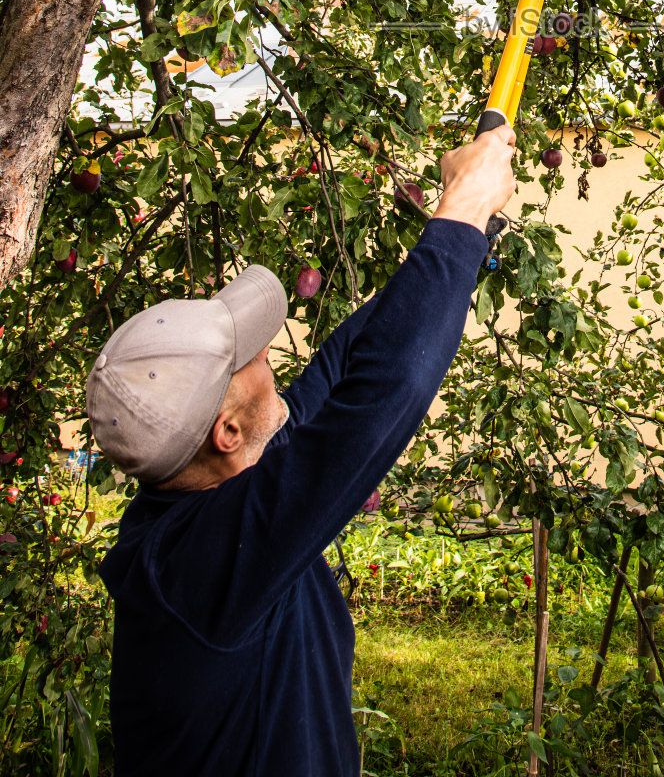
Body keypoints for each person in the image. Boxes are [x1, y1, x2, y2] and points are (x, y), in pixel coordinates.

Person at [87, 125, 517, 777]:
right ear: (227, 433)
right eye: (252, 359)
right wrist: (461, 209)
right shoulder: (193, 569)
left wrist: (466, 229)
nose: (269, 352)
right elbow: (380, 401)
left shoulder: (224, 481)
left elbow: (349, 363)